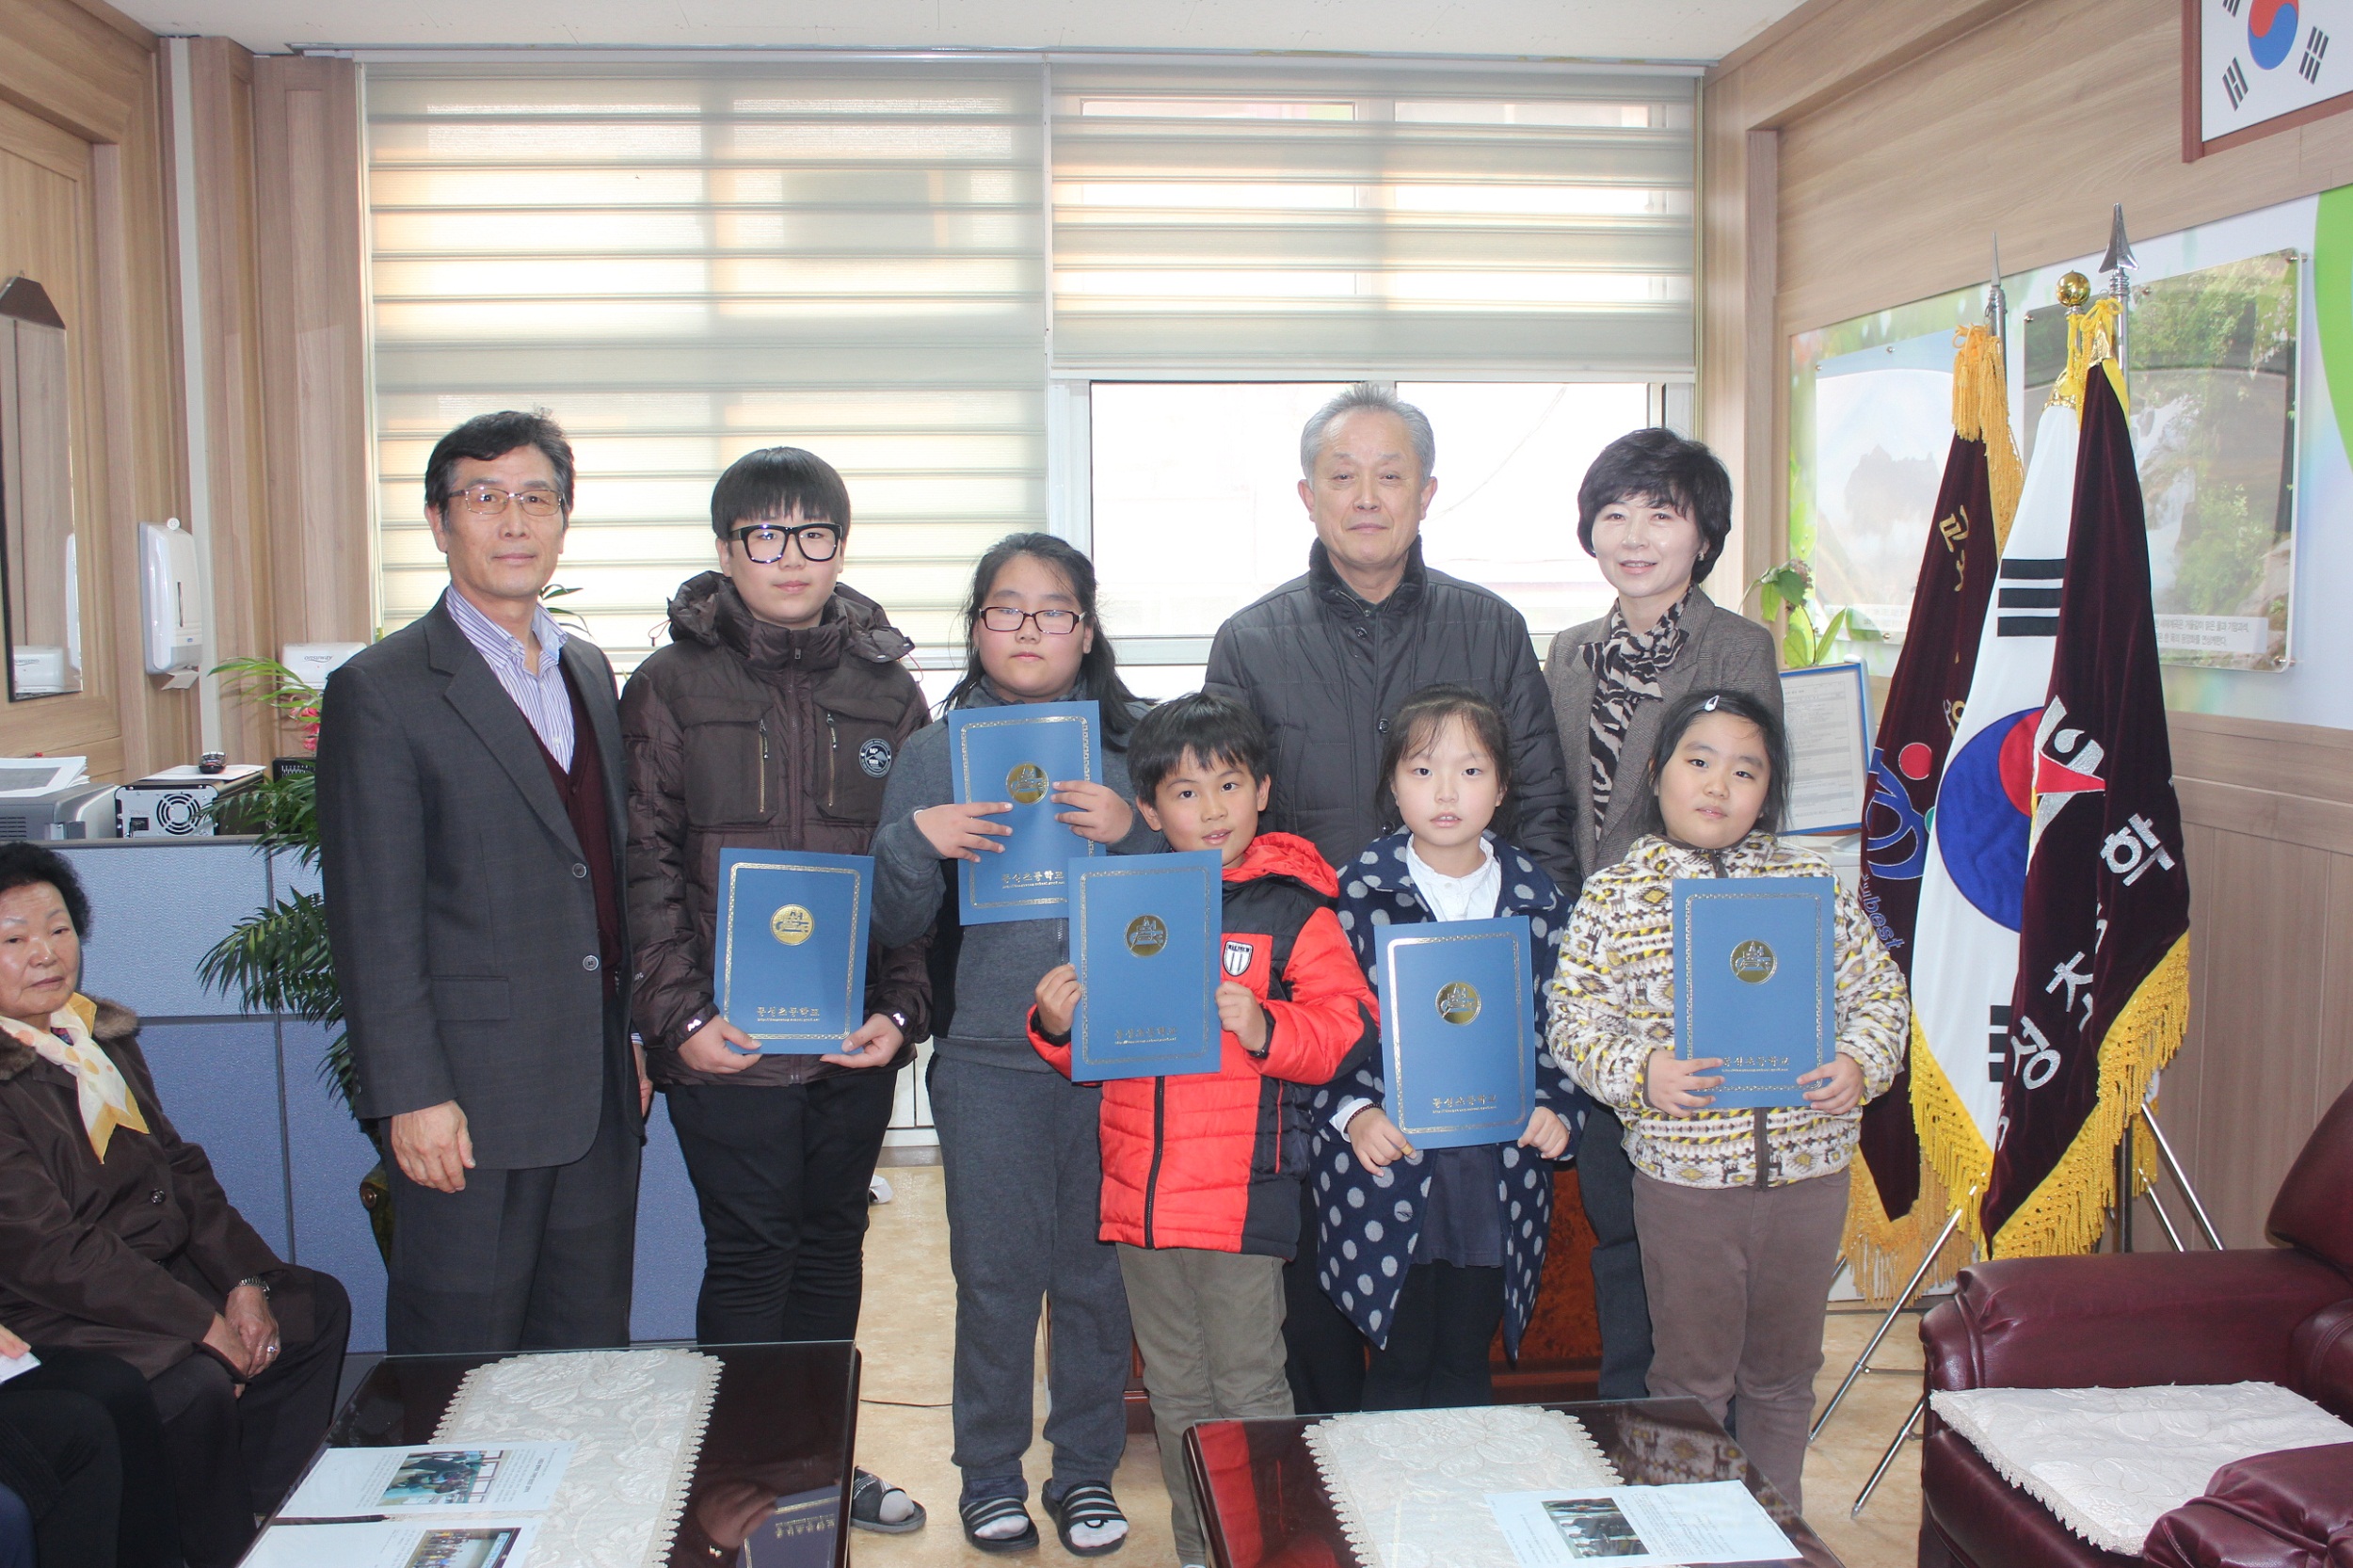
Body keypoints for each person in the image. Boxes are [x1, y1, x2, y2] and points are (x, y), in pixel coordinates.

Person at [1205, 382, 1577, 1415]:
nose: (1366, 497)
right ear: (1307, 494)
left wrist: (1531, 968)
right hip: (1304, 1015)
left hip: (1467, 1016)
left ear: (1427, 492)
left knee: (1454, 1284)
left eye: (1390, 475)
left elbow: (1542, 810)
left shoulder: (1490, 628)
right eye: (1343, 476)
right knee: (1315, 1282)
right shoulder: (1250, 639)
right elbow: (1218, 817)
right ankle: (1330, 1470)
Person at [621, 446, 929, 1534]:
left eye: (812, 534)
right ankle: (741, 1480)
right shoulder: (668, 685)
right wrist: (680, 1020)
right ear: (725, 549)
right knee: (751, 1262)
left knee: (832, 1252)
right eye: (764, 534)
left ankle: (817, 1466)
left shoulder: (887, 690)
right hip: (728, 1047)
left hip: (850, 1044)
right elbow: (645, 863)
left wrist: (902, 1011)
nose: (789, 555)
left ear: (841, 547)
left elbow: (912, 868)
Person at [318, 408, 646, 1356]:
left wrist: (628, 1034)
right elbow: (374, 920)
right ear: (438, 521)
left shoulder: (589, 670)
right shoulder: (382, 689)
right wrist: (410, 1094)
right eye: (484, 497)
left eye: (536, 498)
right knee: (459, 1360)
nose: (513, 521)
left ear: (563, 520)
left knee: (586, 1352)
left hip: (594, 1089)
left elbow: (604, 872)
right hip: (466, 1105)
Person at [1029, 693, 1376, 1568]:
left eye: (1229, 783)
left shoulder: (1294, 908)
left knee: (1250, 1387)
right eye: (1185, 792)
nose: (1212, 807)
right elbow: (1099, 1052)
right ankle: (1199, 1549)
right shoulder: (1124, 902)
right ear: (1149, 811)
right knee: (1177, 1393)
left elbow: (1348, 1029)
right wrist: (1059, 1026)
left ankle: (1261, 1551)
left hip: (1238, 1200)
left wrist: (1266, 1027)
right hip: (1140, 1202)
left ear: (1263, 791)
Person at [1548, 690, 1907, 1508]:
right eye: (1698, 761)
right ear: (1656, 773)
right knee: (1690, 1381)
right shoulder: (1615, 895)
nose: (1718, 785)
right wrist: (1642, 1071)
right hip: (1686, 1187)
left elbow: (1881, 996)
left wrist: (1860, 1060)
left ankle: (1779, 1538)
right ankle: (1686, 1536)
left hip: (1810, 1176)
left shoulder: (1809, 885)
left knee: (1784, 1376)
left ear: (1769, 791)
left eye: (1745, 771)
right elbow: (1572, 1021)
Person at [871, 534, 1157, 1555]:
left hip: (1116, 1056)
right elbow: (893, 920)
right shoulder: (931, 753)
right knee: (994, 1278)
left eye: (1054, 610)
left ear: (1087, 628)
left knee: (1095, 1279)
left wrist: (1134, 830)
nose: (1029, 628)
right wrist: (917, 842)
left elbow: (1196, 895)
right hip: (988, 1058)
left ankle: (1084, 1475)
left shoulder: (1135, 747)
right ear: (977, 625)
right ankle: (989, 1475)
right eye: (1006, 608)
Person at [0, 844, 350, 1566]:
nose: (45, 953)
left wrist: (244, 1284)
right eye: (14, 939)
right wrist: (201, 1322)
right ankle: (219, 1547)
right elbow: (54, 1253)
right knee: (193, 1381)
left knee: (310, 1309)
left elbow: (180, 1168)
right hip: (61, 1310)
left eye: (59, 929)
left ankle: (264, 1514)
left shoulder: (92, 1036)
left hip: (157, 1276)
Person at [1542, 427, 1781, 1401]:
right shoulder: (1567, 652)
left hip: (1693, 970)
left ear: (1703, 535)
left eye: (1661, 514)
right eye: (1614, 513)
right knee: (1614, 1211)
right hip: (1597, 971)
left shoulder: (1737, 646)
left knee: (1691, 1223)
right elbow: (1556, 807)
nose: (1634, 535)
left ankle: (1698, 1416)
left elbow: (1746, 808)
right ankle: (1625, 1409)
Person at [1311, 684, 1588, 1410]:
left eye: (1470, 770)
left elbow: (1567, 1026)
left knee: (1466, 1360)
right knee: (1399, 1366)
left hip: (1495, 1169)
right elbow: (1322, 1025)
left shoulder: (1539, 901)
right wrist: (1354, 1115)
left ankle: (1462, 1488)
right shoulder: (1350, 897)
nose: (1445, 792)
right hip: (1388, 1164)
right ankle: (1385, 1489)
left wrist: (1557, 1110)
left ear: (1502, 787)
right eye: (1422, 769)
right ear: (1392, 784)